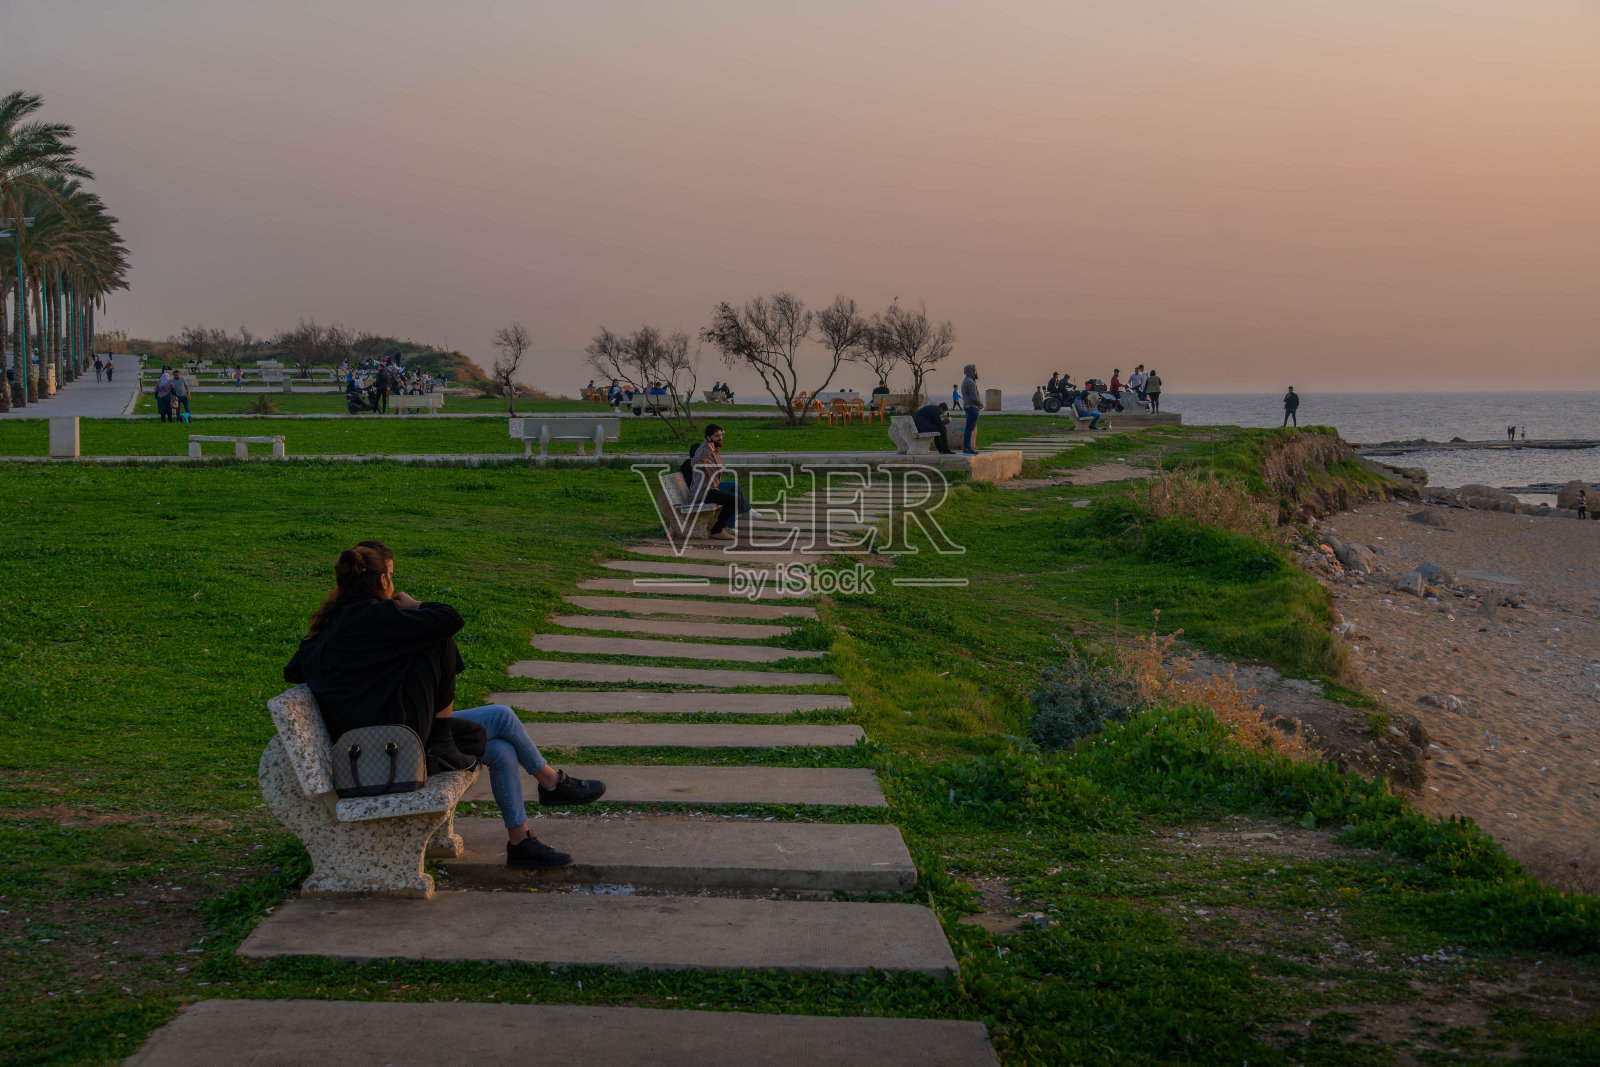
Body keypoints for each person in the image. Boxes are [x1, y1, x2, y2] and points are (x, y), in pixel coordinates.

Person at [284, 542, 604, 869]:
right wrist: (414, 605)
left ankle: (522, 840)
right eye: (392, 576)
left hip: (376, 739)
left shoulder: (331, 624)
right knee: (439, 637)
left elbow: (293, 670)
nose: (394, 584)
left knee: (501, 744)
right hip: (389, 748)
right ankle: (549, 782)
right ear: (381, 582)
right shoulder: (376, 616)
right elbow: (449, 617)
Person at [687, 423, 751, 541]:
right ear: (708, 438)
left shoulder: (713, 449)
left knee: (734, 492)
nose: (720, 438)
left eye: (721, 435)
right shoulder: (704, 450)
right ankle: (717, 530)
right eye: (716, 436)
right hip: (703, 492)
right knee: (735, 499)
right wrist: (707, 450)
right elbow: (694, 462)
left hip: (711, 489)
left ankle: (738, 517)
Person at [959, 363, 982, 455]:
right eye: (975, 370)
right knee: (969, 429)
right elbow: (973, 396)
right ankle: (967, 448)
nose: (977, 372)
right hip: (972, 407)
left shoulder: (967, 380)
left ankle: (967, 447)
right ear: (971, 371)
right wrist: (981, 404)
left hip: (969, 406)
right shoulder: (970, 382)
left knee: (969, 429)